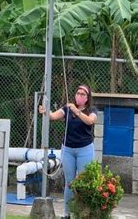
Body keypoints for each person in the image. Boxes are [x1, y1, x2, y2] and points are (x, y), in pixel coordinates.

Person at [39, 84, 97, 219]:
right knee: (69, 182)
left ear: (87, 98)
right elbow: (53, 116)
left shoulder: (91, 110)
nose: (79, 96)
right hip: (68, 149)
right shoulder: (67, 108)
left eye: (83, 94)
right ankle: (67, 213)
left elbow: (90, 121)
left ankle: (82, 213)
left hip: (85, 149)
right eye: (78, 93)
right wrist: (45, 111)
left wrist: (77, 111)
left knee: (83, 182)